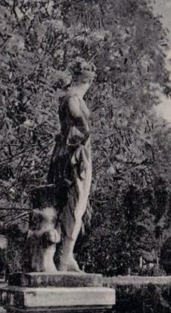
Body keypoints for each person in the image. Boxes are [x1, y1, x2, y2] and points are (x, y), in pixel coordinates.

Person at [47, 58, 96, 272]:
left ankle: (62, 255)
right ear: (87, 82)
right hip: (74, 155)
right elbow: (77, 118)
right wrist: (87, 132)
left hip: (67, 153)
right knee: (75, 205)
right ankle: (65, 256)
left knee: (68, 205)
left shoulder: (68, 97)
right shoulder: (73, 98)